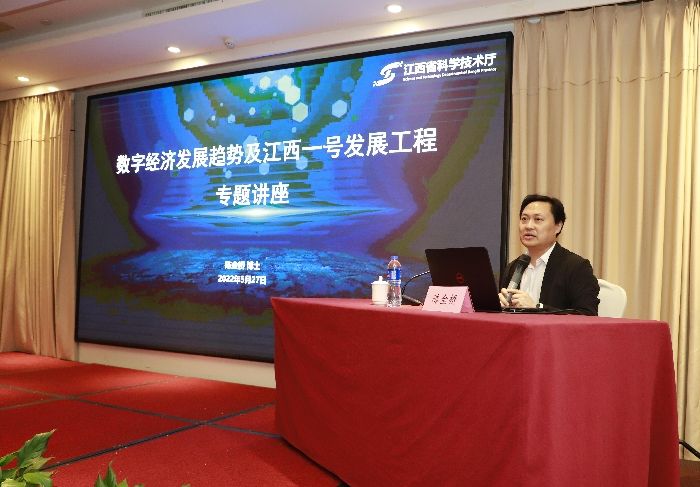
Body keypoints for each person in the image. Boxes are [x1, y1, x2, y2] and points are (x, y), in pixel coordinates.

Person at [498, 194, 599, 315]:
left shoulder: (576, 267)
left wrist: (537, 307)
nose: (528, 226)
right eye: (524, 219)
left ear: (558, 227)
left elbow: (587, 314)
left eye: (538, 219)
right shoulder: (513, 267)